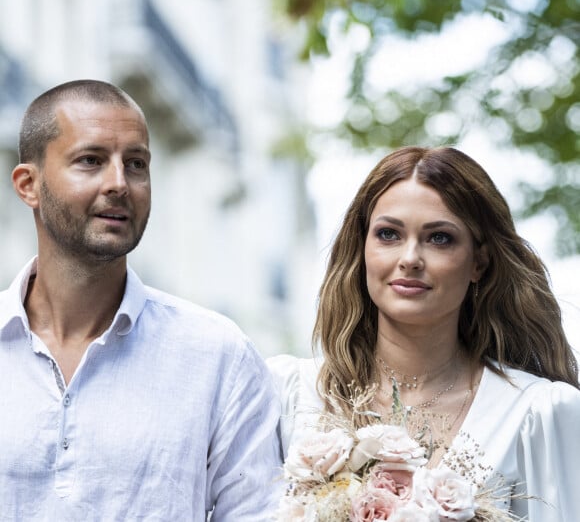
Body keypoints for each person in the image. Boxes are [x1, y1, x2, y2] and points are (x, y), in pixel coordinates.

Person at [0, 79, 281, 521]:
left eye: (136, 164)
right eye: (90, 161)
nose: (120, 183)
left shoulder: (217, 356)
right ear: (28, 185)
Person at [268, 146, 580, 521]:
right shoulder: (288, 394)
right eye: (388, 234)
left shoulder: (538, 413)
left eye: (439, 238)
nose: (410, 258)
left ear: (479, 262)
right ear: (362, 247)